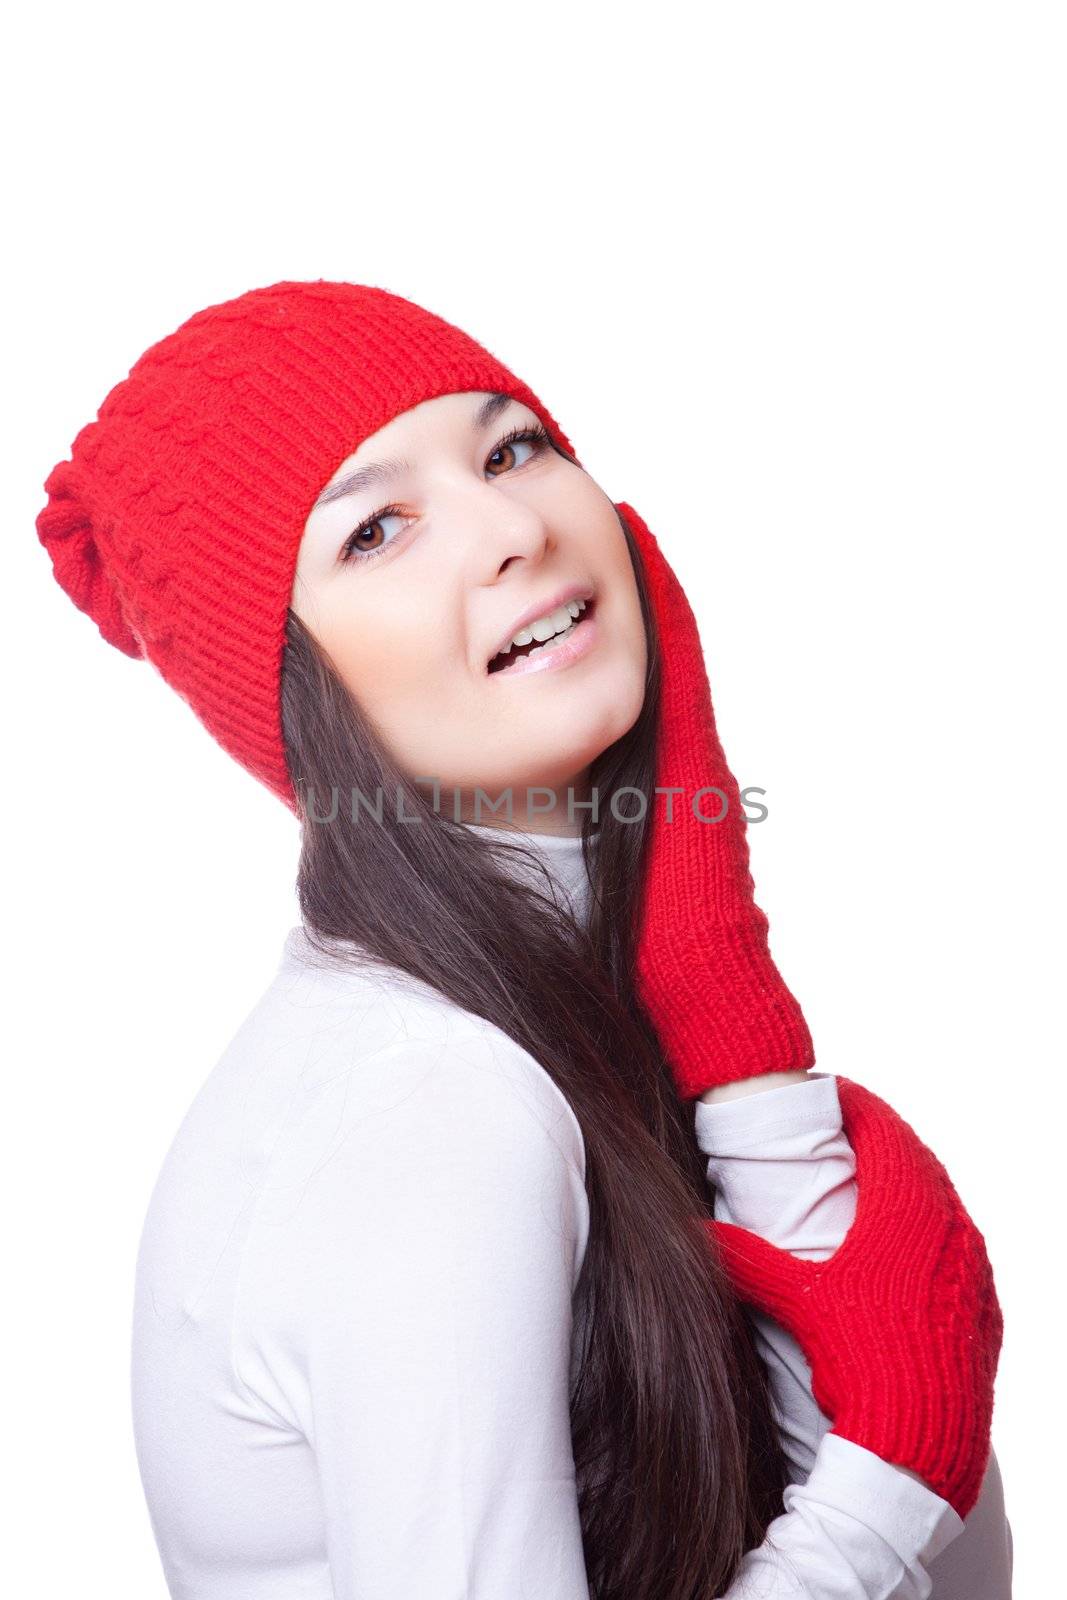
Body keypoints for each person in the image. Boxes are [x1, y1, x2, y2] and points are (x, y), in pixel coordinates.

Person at [36, 279, 1011, 1599]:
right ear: (285, 692)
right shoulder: (435, 1110)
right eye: (378, 529)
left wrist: (731, 1008)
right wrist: (887, 1487)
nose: (511, 529)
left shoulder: (567, 1041)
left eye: (515, 449)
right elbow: (906, 1508)